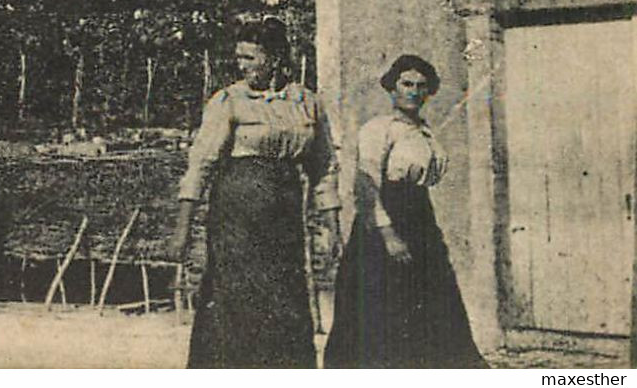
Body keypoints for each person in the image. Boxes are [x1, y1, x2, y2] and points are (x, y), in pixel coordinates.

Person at [169, 18, 340, 368]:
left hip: (284, 214)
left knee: (284, 297)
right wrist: (182, 229)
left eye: (251, 57)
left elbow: (324, 167)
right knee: (237, 299)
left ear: (275, 57)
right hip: (237, 214)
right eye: (239, 57)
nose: (242, 65)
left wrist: (332, 223)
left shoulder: (306, 102)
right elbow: (200, 165)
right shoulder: (229, 101)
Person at [325, 54, 486, 368]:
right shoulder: (378, 128)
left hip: (420, 218)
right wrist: (388, 234)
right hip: (384, 220)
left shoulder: (426, 134)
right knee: (382, 305)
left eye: (421, 86)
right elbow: (365, 183)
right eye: (406, 83)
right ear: (392, 87)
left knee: (431, 299)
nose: (413, 91)